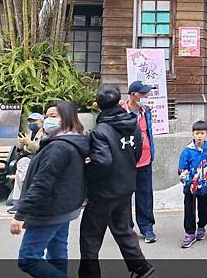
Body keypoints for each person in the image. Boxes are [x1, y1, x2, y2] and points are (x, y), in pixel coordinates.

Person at [79, 85, 154, 278]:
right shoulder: (133, 123)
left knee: (90, 237)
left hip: (104, 192)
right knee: (123, 229)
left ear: (98, 106)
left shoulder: (100, 130)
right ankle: (140, 267)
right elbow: (137, 153)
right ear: (119, 101)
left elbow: (103, 161)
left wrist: (88, 175)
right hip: (126, 186)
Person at [11, 101, 90, 278]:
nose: (48, 120)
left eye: (53, 116)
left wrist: (20, 214)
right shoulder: (73, 141)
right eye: (47, 116)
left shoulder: (58, 147)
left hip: (48, 210)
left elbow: (42, 183)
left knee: (28, 259)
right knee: (57, 253)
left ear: (67, 119)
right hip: (64, 208)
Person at [122, 81, 157, 243]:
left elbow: (148, 132)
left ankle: (147, 227)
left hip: (145, 159)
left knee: (145, 195)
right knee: (124, 196)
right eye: (142, 94)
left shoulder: (146, 111)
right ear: (133, 94)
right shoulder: (121, 112)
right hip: (126, 162)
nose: (145, 97)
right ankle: (127, 229)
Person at [178, 120, 207, 248]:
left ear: (206, 134)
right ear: (192, 134)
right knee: (189, 210)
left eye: (202, 133)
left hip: (205, 186)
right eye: (197, 133)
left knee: (204, 209)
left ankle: (201, 227)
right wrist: (188, 181)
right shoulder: (187, 151)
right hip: (191, 188)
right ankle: (189, 233)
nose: (199, 136)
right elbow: (182, 170)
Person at [7, 111, 47, 214]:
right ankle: (21, 200)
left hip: (40, 161)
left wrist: (28, 143)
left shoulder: (45, 134)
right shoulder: (29, 135)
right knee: (22, 165)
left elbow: (40, 149)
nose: (31, 123)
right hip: (28, 163)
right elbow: (18, 155)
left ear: (42, 122)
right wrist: (20, 147)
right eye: (29, 121)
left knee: (22, 167)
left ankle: (21, 200)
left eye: (34, 121)